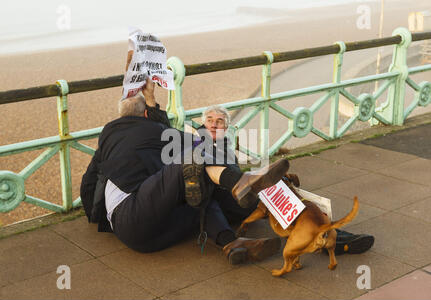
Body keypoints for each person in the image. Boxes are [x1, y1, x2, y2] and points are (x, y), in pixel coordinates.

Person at [80, 76, 292, 265]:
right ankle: (240, 182)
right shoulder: (152, 131)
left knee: (196, 190)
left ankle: (232, 243)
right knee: (193, 158)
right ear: (146, 114)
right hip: (135, 215)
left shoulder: (107, 138)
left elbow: (89, 181)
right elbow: (196, 146)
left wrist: (93, 214)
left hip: (141, 233)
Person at [198, 105, 375, 256]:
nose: (214, 125)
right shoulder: (198, 143)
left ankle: (332, 236)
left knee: (284, 197)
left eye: (219, 121)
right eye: (210, 120)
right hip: (214, 205)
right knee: (277, 197)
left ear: (226, 127)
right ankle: (329, 238)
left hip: (231, 202)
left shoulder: (223, 146)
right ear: (203, 123)